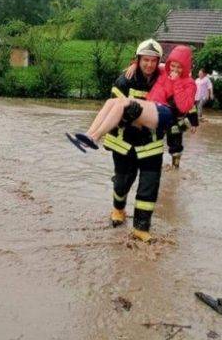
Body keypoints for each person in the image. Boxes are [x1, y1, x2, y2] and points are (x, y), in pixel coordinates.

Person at [68, 43, 197, 239]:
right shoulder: (124, 80)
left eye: (153, 61)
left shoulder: (166, 75)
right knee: (122, 183)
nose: (149, 65)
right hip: (124, 142)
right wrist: (127, 120)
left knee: (149, 187)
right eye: (145, 60)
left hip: (151, 144)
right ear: (138, 60)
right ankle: (118, 209)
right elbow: (112, 110)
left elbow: (186, 111)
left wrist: (177, 126)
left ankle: (141, 229)